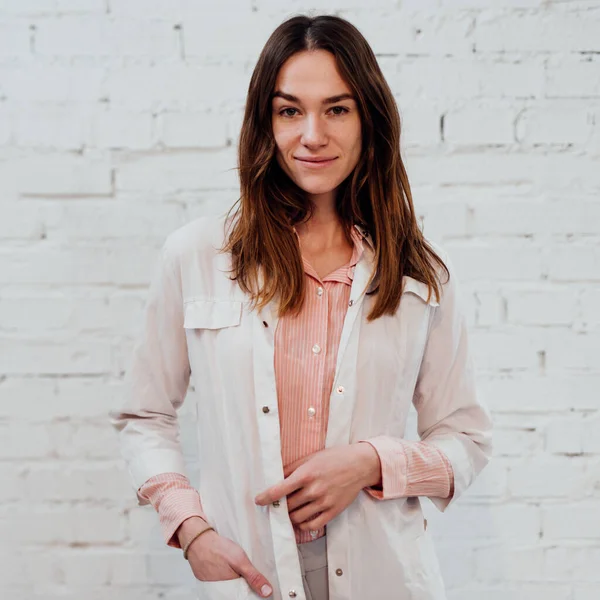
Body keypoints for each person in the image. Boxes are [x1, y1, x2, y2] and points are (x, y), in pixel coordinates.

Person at [110, 13, 492, 600]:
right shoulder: (196, 256)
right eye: (290, 111)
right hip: (249, 576)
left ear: (369, 121)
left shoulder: (419, 276)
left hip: (385, 578)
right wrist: (189, 527)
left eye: (337, 109)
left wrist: (372, 462)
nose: (312, 134)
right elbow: (145, 416)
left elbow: (465, 439)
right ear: (265, 123)